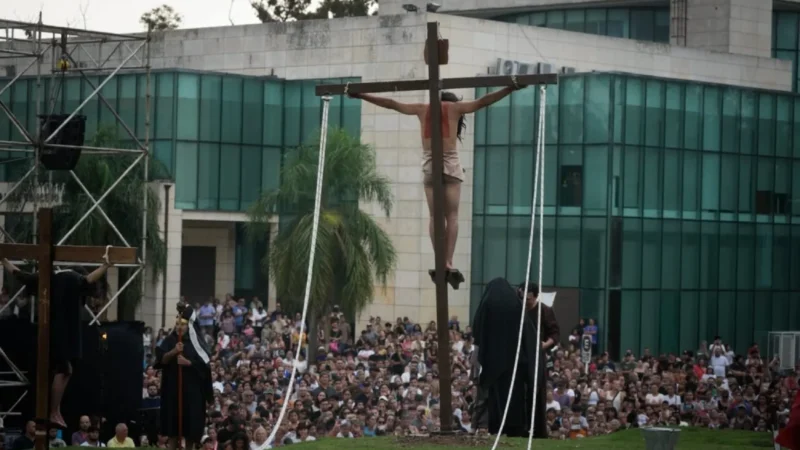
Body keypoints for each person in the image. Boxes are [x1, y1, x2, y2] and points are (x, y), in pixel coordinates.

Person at [349, 85, 525, 287]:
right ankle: (448, 260)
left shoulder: (422, 108)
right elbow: (484, 101)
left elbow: (391, 104)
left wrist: (361, 94)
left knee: (435, 217)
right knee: (452, 216)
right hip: (450, 166)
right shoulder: (455, 108)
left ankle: (439, 259)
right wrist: (511, 88)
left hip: (430, 167)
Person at [1, 258, 112, 428]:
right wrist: (105, 266)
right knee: (65, 370)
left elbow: (21, 275)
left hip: (47, 332)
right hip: (62, 335)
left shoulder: (48, 277)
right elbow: (88, 279)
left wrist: (4, 260)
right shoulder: (74, 279)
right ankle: (53, 411)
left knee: (59, 370)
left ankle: (55, 410)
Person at [472, 278, 558, 438]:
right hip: (516, 363)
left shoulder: (489, 305)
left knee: (492, 396)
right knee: (511, 396)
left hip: (496, 362)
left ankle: (494, 426)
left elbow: (478, 331)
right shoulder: (516, 308)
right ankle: (513, 426)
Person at [155, 305, 213, 450]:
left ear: (189, 326)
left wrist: (189, 363)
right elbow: (161, 360)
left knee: (191, 433)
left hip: (193, 393)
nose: (179, 327)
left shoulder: (197, 343)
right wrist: (174, 351)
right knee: (173, 431)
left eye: (182, 324)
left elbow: (205, 367)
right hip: (173, 391)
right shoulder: (169, 340)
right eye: (177, 324)